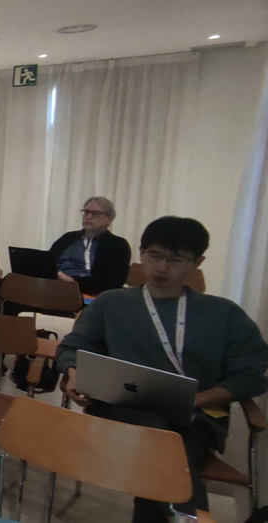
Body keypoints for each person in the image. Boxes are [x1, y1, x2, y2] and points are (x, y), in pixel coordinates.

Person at [56, 216, 268, 522]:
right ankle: (190, 517)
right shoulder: (112, 303)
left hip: (195, 418)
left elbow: (250, 375)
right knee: (159, 439)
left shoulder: (224, 314)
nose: (162, 268)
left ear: (197, 263)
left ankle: (183, 516)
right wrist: (74, 374)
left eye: (176, 260)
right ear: (141, 253)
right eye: (154, 255)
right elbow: (73, 346)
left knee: (161, 449)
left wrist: (196, 399)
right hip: (120, 410)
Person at [49, 196, 131, 296]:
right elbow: (48, 261)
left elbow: (114, 281)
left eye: (96, 214)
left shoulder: (118, 245)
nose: (88, 217)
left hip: (87, 293)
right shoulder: (69, 238)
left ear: (109, 219)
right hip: (55, 286)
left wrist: (74, 282)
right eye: (86, 212)